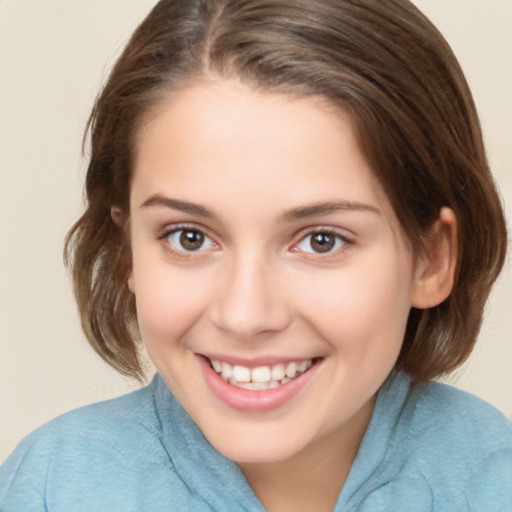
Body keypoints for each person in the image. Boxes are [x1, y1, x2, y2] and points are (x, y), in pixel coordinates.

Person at [1, 0, 511, 510]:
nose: (245, 315)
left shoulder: (493, 478)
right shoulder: (49, 489)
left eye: (321, 240)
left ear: (431, 258)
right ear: (127, 251)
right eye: (189, 237)